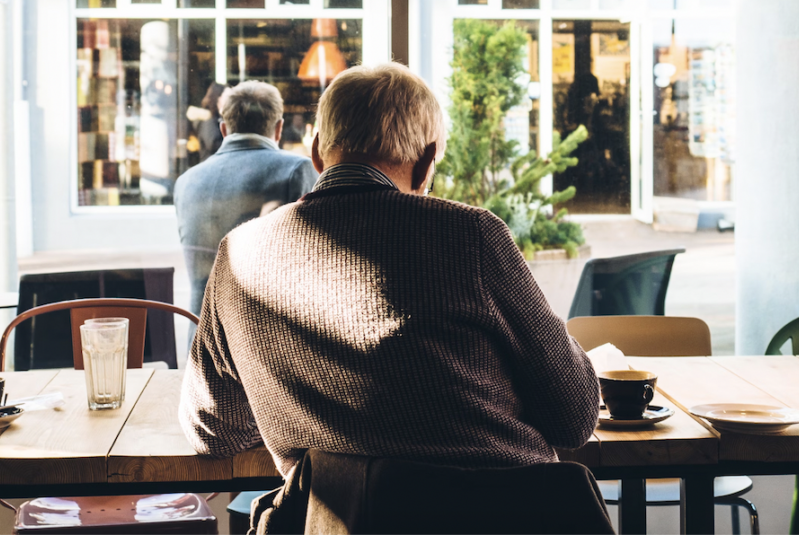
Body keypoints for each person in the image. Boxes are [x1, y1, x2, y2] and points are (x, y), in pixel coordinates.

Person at [179, 63, 599, 475]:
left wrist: (298, 404)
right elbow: (574, 417)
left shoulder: (239, 254)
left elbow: (213, 431)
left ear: (317, 153)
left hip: (337, 521)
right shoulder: (471, 235)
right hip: (504, 516)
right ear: (426, 162)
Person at [174, 80, 317, 320]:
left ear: (223, 129)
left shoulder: (186, 181)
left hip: (200, 341)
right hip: (265, 342)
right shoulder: (296, 170)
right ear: (279, 129)